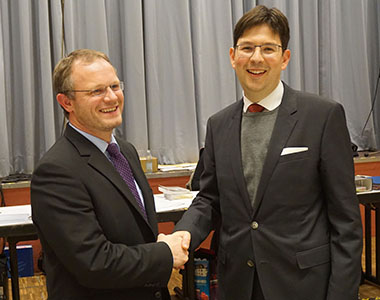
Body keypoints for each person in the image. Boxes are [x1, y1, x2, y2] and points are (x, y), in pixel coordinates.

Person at [174, 5, 362, 300]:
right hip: (237, 283)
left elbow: (346, 222)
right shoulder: (218, 125)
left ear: (284, 58)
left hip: (303, 284)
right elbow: (210, 199)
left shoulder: (322, 117)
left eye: (268, 48)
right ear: (233, 56)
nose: (257, 58)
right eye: (247, 48)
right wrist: (182, 233)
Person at [31, 49, 189, 300]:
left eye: (115, 86)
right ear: (66, 102)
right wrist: (165, 253)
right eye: (96, 91)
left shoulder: (124, 151)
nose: (111, 97)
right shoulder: (56, 171)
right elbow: (94, 263)